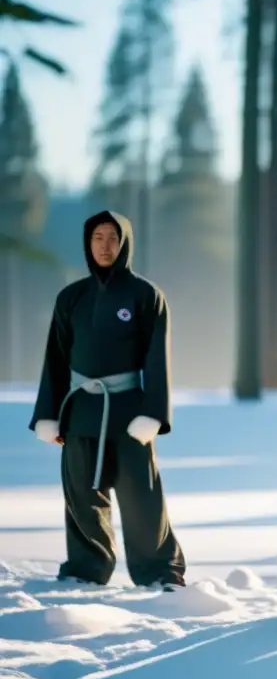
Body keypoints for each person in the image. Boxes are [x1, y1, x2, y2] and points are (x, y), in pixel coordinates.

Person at [29, 211, 186, 591]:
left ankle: (159, 572)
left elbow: (157, 359)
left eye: (113, 238)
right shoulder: (71, 297)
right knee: (82, 496)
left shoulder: (146, 295)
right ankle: (86, 569)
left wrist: (153, 413)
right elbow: (55, 358)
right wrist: (48, 415)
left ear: (125, 242)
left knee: (142, 500)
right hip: (81, 410)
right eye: (97, 238)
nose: (105, 246)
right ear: (88, 243)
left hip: (130, 413)